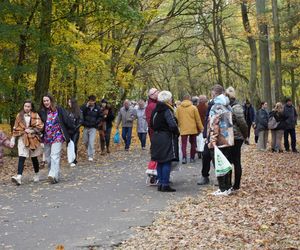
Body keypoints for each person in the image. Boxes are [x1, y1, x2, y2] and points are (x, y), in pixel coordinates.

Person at [39, 94, 75, 184]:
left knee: (54, 156)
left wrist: (71, 131)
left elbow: (67, 120)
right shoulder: (42, 112)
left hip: (58, 136)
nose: (46, 102)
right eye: (44, 101)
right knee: (48, 158)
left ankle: (52, 174)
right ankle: (55, 175)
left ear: (51, 100)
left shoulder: (59, 109)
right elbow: (39, 124)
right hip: (47, 137)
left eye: (47, 100)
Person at [150, 90, 179, 192]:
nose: (171, 100)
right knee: (166, 160)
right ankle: (165, 184)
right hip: (166, 137)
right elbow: (172, 124)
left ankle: (161, 183)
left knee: (159, 161)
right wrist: (176, 132)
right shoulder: (167, 110)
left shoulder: (155, 110)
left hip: (156, 136)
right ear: (167, 99)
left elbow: (151, 124)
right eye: (170, 98)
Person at [208, 84, 234, 196]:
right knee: (227, 162)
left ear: (214, 93)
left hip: (219, 140)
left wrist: (212, 141)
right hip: (228, 138)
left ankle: (223, 188)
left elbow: (214, 125)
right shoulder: (228, 105)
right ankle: (228, 187)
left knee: (219, 163)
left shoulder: (216, 107)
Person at [10, 100, 44, 185]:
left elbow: (40, 126)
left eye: (28, 106)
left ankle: (36, 174)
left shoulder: (35, 115)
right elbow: (15, 128)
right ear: (23, 106)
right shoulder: (19, 116)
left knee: (34, 157)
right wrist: (13, 139)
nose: (27, 108)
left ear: (31, 107)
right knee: (22, 157)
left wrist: (32, 130)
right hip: (22, 138)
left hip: (33, 139)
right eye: (25, 106)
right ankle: (19, 177)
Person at [226, 87, 248, 192]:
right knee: (235, 161)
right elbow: (242, 123)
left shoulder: (229, 106)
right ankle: (234, 185)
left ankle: (232, 184)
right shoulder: (236, 107)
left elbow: (242, 122)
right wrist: (245, 135)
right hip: (236, 137)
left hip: (231, 137)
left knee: (231, 161)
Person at [176, 94, 203, 164]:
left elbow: (177, 119)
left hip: (183, 128)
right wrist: (201, 128)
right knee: (193, 143)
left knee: (183, 144)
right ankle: (192, 158)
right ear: (189, 98)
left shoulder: (179, 108)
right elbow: (198, 120)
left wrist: (178, 126)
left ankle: (184, 158)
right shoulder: (193, 108)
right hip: (192, 128)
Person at [197, 99, 214, 185]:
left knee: (218, 157)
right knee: (206, 155)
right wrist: (205, 134)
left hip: (219, 136)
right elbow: (206, 120)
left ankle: (222, 177)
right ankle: (204, 176)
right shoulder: (210, 106)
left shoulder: (223, 105)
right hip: (209, 135)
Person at [81, 95, 102, 161]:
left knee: (91, 141)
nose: (91, 102)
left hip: (93, 127)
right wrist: (86, 107)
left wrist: (96, 122)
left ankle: (91, 155)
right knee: (85, 141)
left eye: (92, 101)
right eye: (90, 101)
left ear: (94, 101)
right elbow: (80, 113)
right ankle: (89, 150)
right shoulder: (85, 107)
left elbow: (100, 116)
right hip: (86, 126)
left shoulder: (97, 108)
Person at [67, 98, 82, 167]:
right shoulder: (67, 111)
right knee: (69, 145)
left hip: (75, 131)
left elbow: (81, 120)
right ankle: (71, 158)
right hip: (68, 131)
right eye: (68, 102)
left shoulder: (79, 111)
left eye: (70, 102)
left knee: (74, 144)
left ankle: (74, 160)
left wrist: (76, 127)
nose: (69, 103)